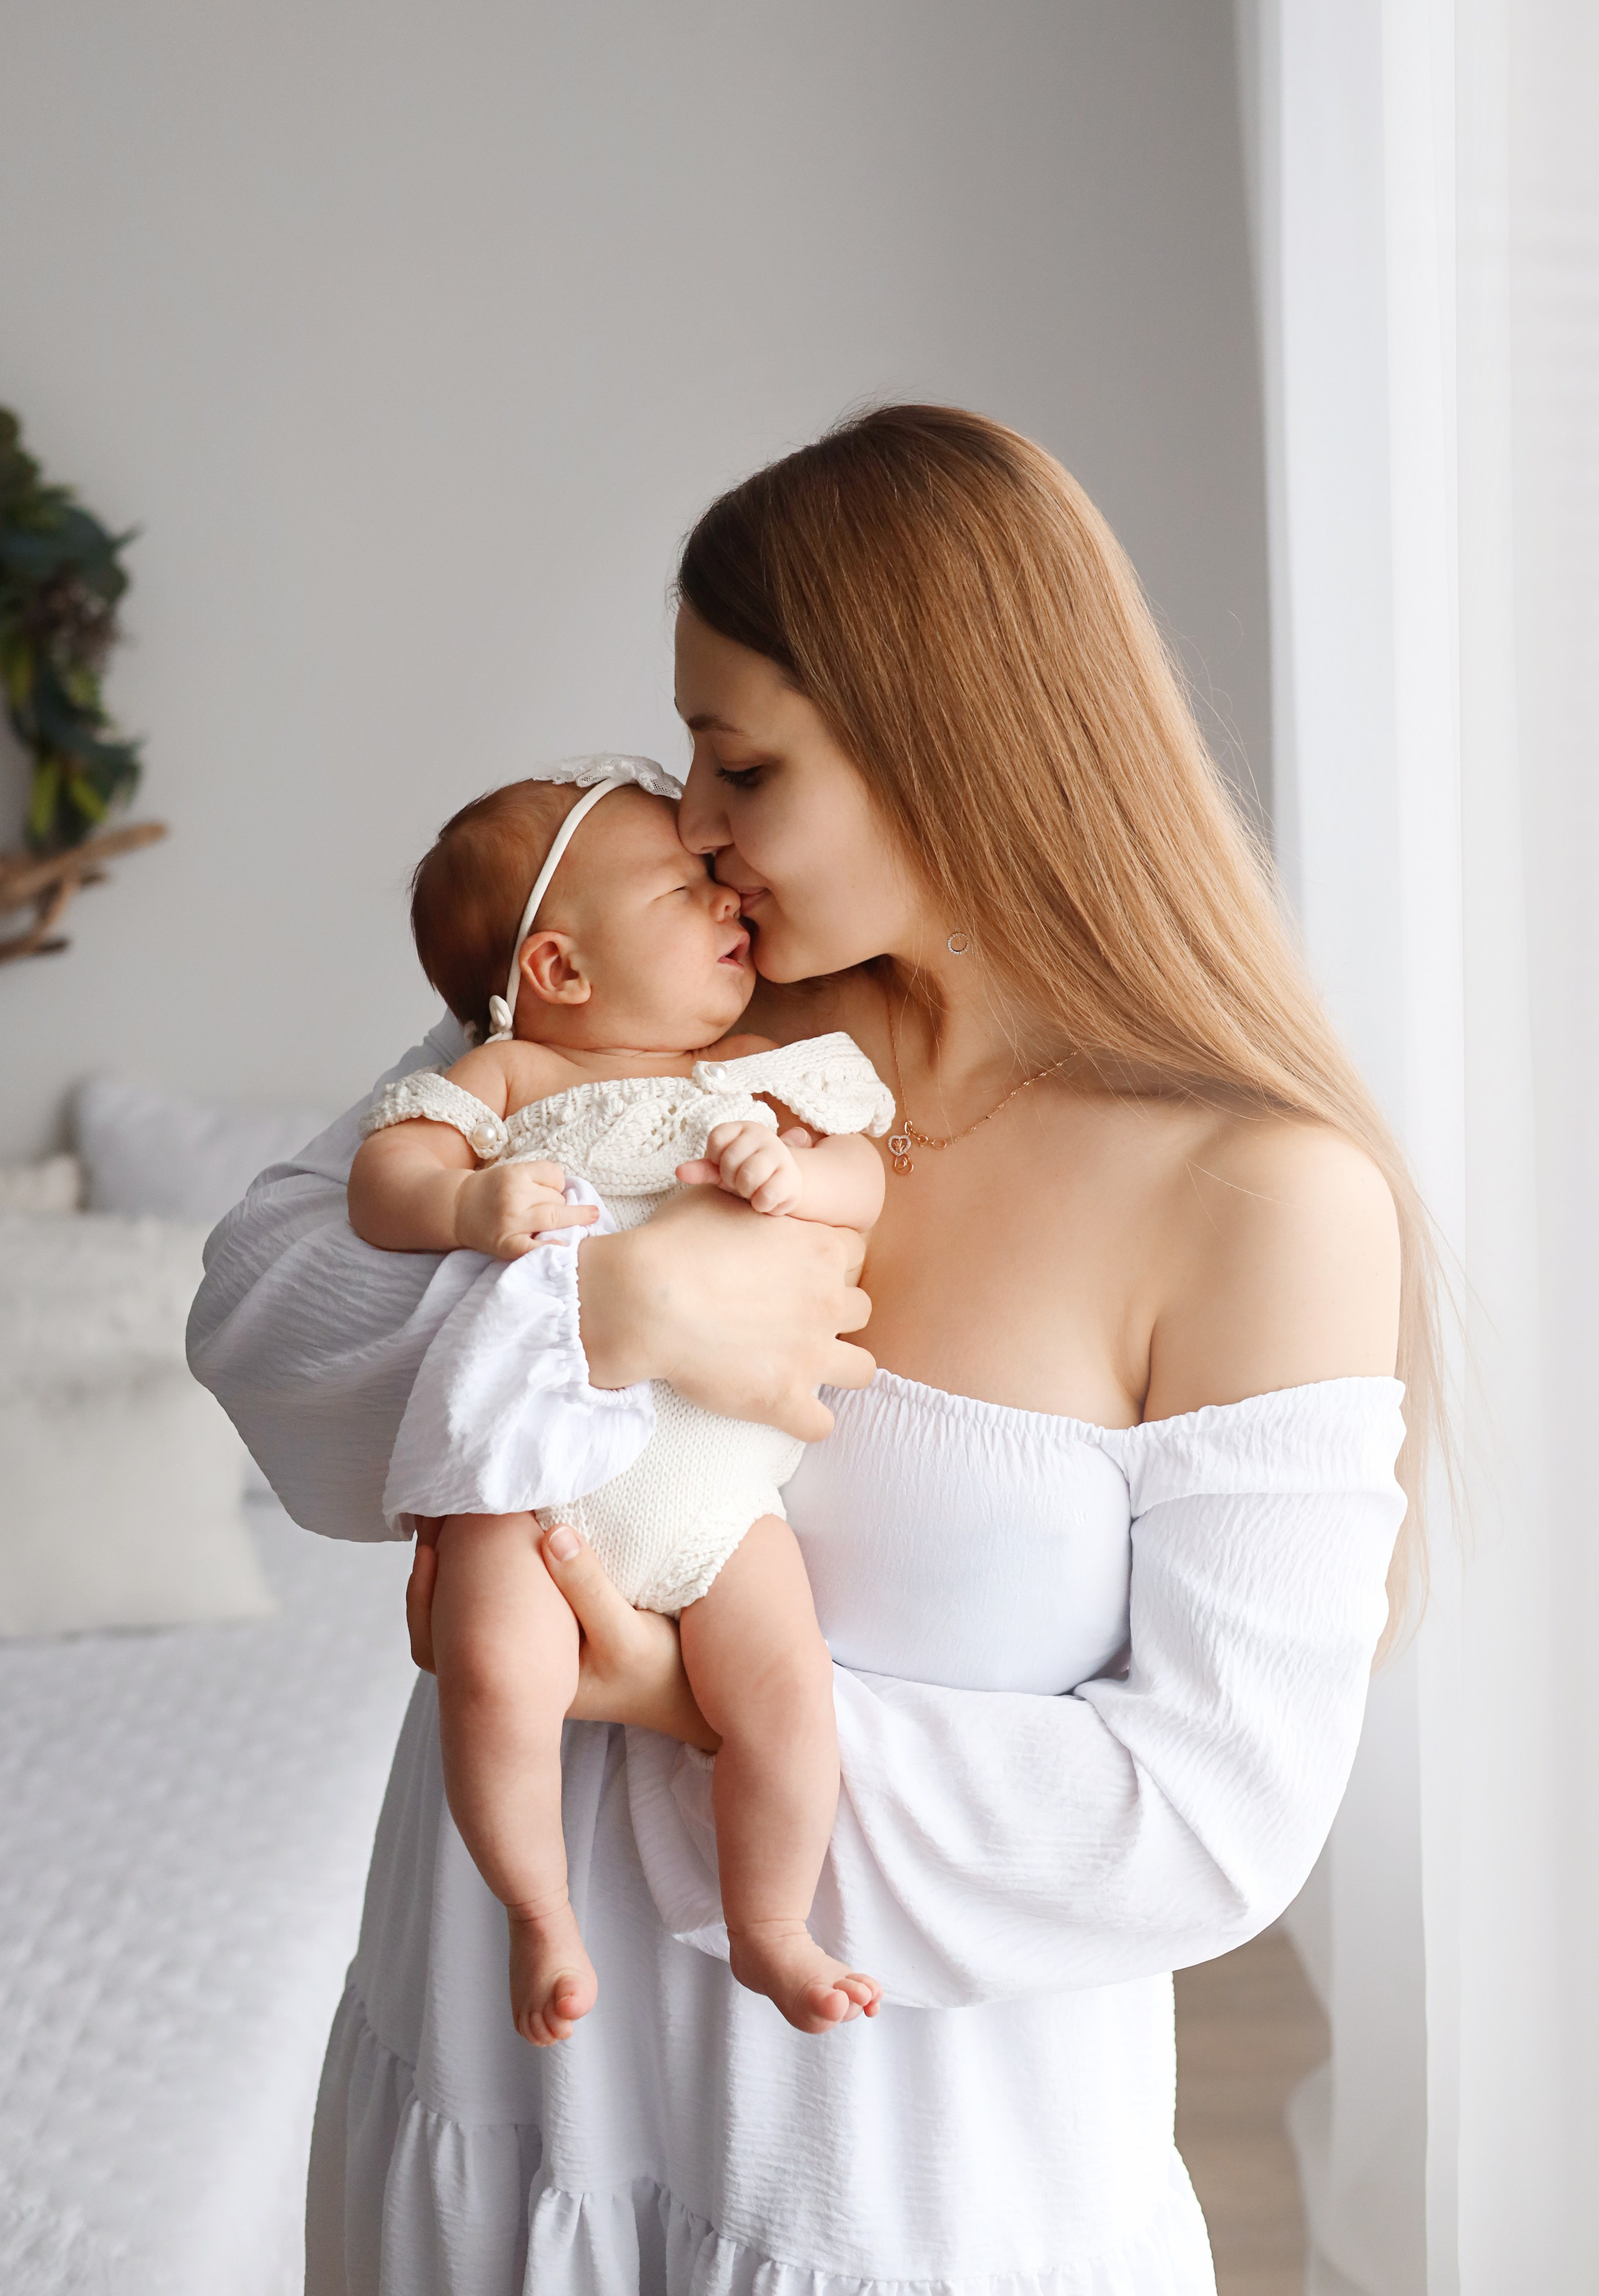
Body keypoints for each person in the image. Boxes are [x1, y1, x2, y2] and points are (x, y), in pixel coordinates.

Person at [189, 405, 1435, 2296]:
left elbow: (1211, 1821)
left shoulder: (1256, 1194)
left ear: (948, 751)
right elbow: (264, 1323)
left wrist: (691, 1701)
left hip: (884, 2201)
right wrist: (609, 1313)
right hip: (484, 2132)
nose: (684, 823)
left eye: (738, 762)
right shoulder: (684, 1002)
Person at [348, 760, 888, 2044]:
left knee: (785, 1696)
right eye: (682, 889)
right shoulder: (512, 1079)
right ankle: (541, 1913)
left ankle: (770, 1926)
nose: (725, 903)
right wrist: (461, 1202)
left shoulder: (757, 1073)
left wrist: (794, 1177)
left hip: (713, 1499)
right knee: (487, 1678)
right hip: (531, 1478)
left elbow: (863, 1182)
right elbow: (382, 1179)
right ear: (561, 970)